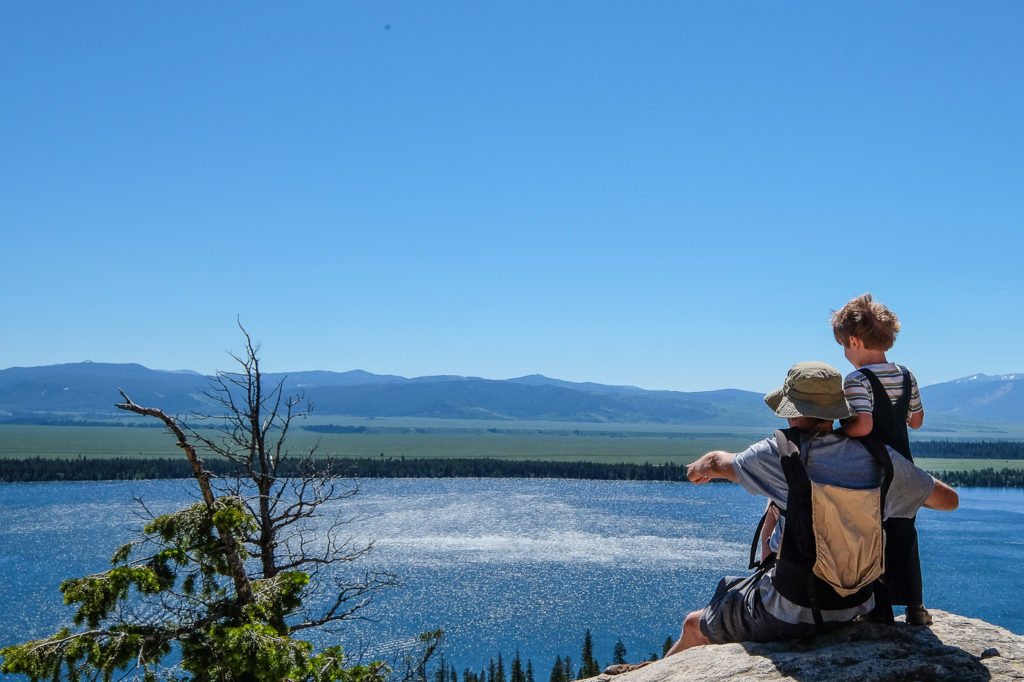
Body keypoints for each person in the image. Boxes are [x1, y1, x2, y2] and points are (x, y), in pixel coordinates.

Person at [664, 361, 957, 656]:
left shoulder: (780, 454)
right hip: (857, 603)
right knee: (730, 587)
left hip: (792, 608)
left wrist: (696, 467)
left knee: (694, 624)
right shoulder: (880, 458)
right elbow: (949, 500)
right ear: (837, 412)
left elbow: (717, 463)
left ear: (792, 412)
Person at [831, 293, 929, 625]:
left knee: (870, 537)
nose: (844, 353)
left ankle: (877, 609)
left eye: (844, 346)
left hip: (874, 472)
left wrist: (838, 434)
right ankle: (916, 607)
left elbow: (864, 425)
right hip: (905, 469)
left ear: (855, 341)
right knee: (904, 533)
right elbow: (916, 420)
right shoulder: (906, 375)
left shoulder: (857, 380)